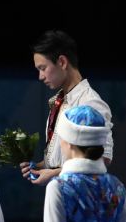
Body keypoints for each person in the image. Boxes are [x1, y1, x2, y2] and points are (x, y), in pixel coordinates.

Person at [21, 30, 114, 186]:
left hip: (81, 195)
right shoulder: (59, 101)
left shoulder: (90, 103)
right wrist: (40, 167)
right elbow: (65, 159)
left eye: (43, 68)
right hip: (61, 190)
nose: (40, 76)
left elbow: (103, 160)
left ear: (62, 62)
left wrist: (54, 174)